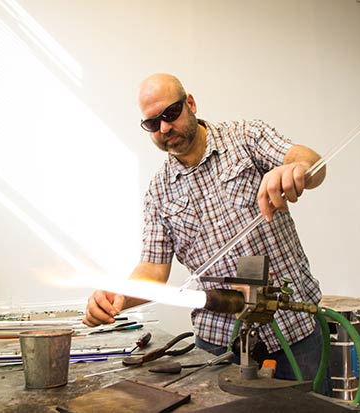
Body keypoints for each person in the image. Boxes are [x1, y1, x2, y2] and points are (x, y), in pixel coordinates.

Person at [84, 73, 327, 385]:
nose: (164, 128)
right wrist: (117, 296)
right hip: (220, 343)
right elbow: (153, 271)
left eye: (170, 114)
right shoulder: (158, 192)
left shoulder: (245, 137)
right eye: (152, 124)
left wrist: (298, 169)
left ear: (190, 103)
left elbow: (309, 161)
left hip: (294, 327)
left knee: (314, 406)